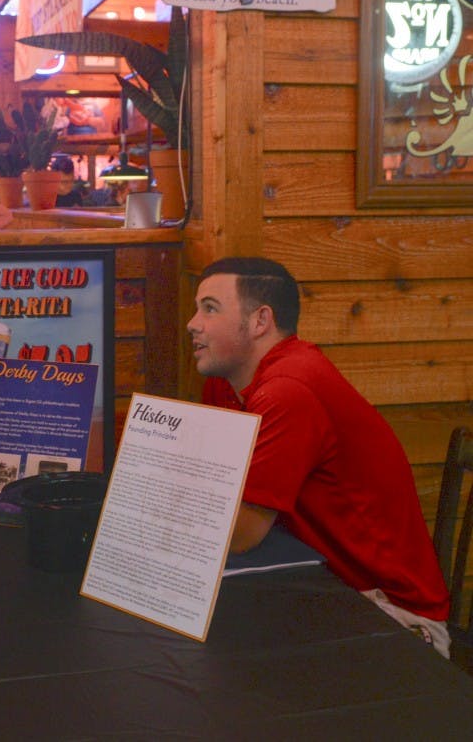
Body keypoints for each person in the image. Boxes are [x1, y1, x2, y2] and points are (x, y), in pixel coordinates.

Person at [187, 257, 451, 656]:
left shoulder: (288, 390)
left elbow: (240, 533)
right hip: (319, 584)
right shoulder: (227, 384)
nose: (193, 323)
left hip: (393, 614)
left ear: (260, 321)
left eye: (210, 308)